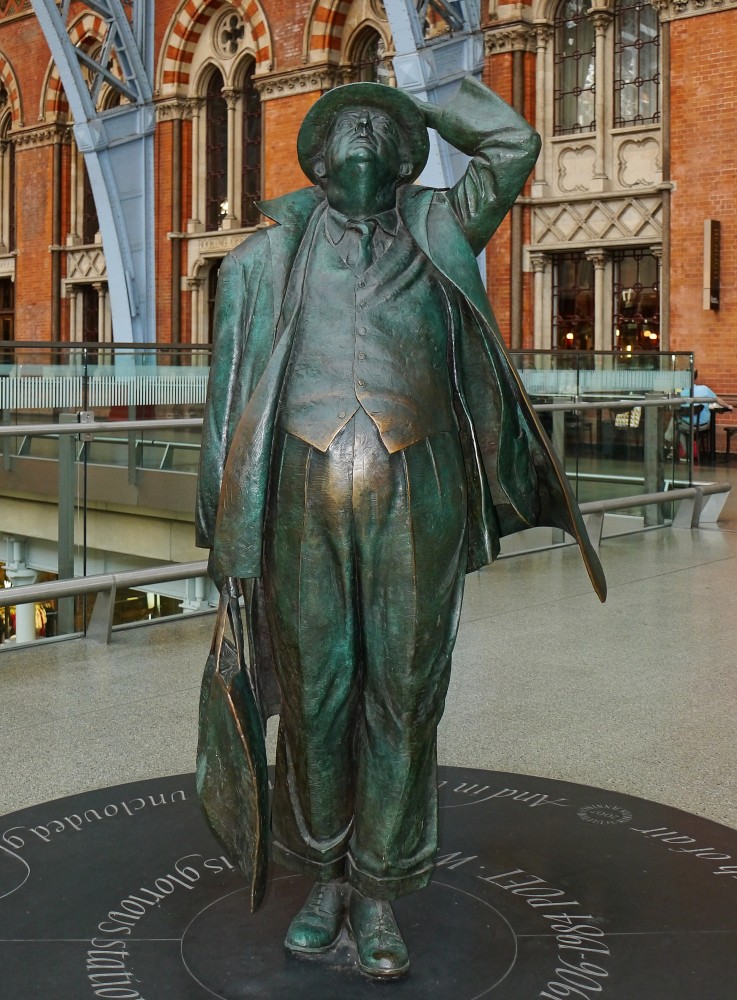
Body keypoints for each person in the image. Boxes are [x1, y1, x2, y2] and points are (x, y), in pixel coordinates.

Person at [196, 76, 606, 980]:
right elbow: (225, 402)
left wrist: (427, 97)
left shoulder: (441, 227)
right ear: (316, 159)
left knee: (405, 695)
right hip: (297, 495)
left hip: (418, 491)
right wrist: (223, 538)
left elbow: (513, 146)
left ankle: (379, 887)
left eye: (383, 128)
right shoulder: (263, 260)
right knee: (315, 700)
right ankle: (324, 877)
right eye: (349, 124)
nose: (365, 133)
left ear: (404, 160)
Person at [665, 370, 733, 458]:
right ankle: (686, 452)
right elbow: (717, 399)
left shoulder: (680, 393)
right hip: (703, 425)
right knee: (678, 426)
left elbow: (673, 407)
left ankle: (674, 446)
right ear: (695, 378)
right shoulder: (704, 389)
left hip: (687, 425)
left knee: (676, 423)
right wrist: (728, 406)